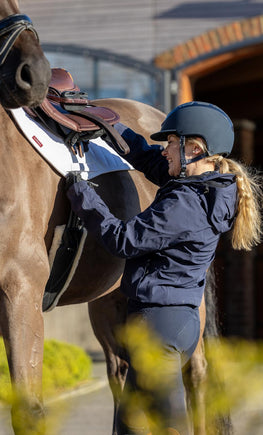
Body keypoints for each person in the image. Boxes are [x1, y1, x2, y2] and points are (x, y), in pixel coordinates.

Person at [66, 101, 262, 435]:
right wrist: (112, 126)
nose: (164, 150)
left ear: (195, 149)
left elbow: (123, 240)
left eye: (171, 142)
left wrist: (81, 193)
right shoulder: (208, 189)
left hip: (159, 329)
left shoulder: (184, 202)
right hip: (177, 322)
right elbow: (147, 159)